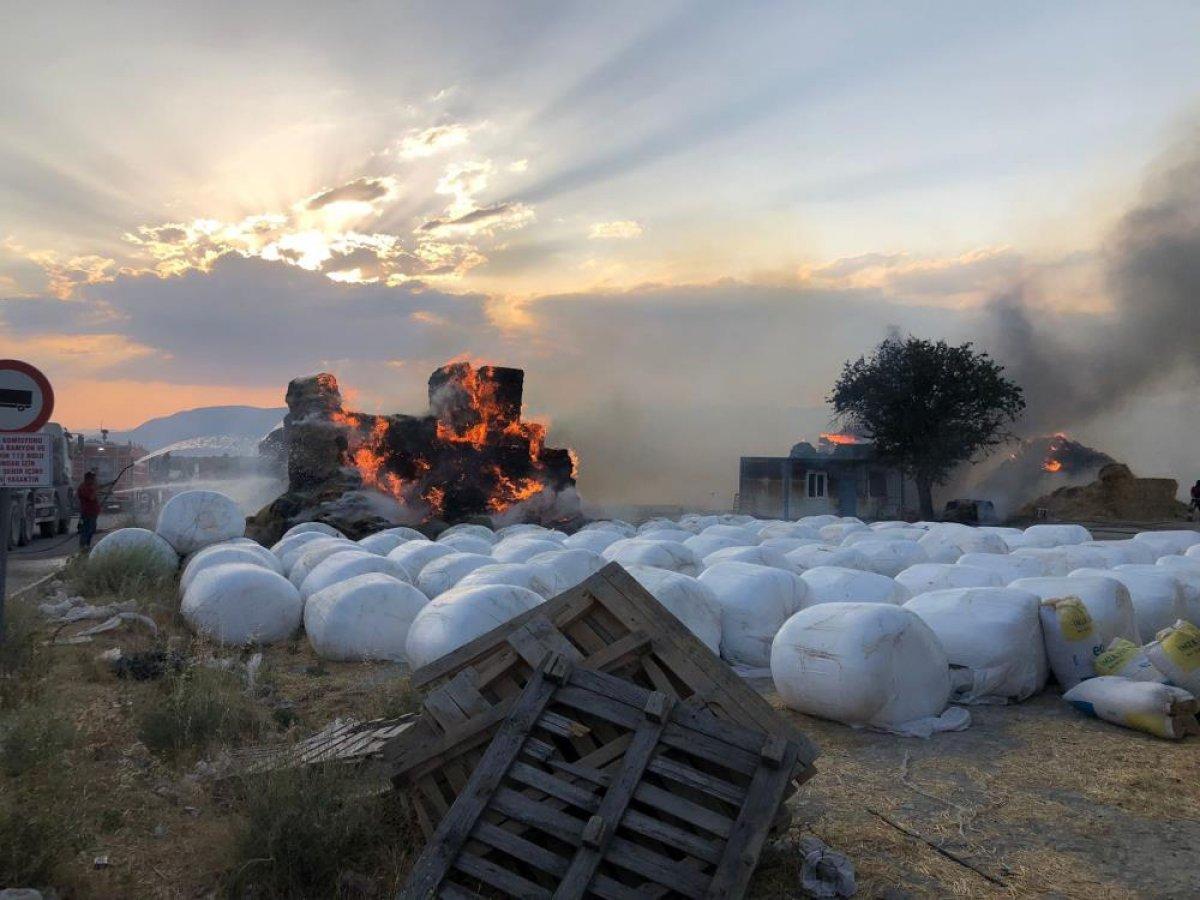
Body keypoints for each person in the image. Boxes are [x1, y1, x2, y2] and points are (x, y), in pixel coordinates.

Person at [77, 471, 101, 550]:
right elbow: (91, 497)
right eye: (93, 479)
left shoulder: (90, 486)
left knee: (91, 529)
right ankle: (84, 546)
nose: (94, 481)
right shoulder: (83, 487)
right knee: (87, 530)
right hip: (87, 513)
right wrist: (96, 490)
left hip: (92, 512)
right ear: (88, 479)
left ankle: (87, 545)